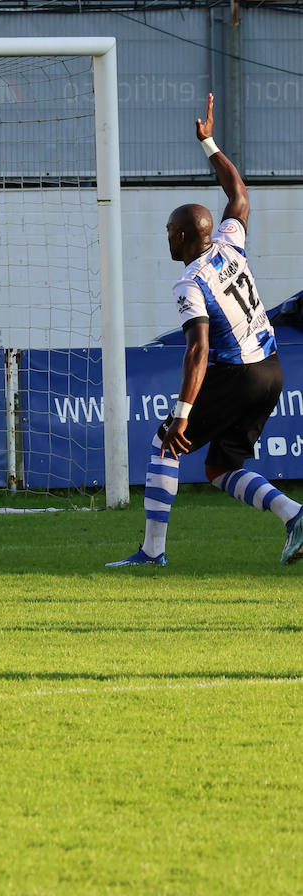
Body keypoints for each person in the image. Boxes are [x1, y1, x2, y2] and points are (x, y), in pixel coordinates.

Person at [108, 93, 303, 568]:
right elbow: (239, 193)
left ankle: (152, 552)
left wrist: (182, 412)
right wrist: (209, 143)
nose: (167, 240)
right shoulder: (230, 244)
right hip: (272, 370)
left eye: (169, 233)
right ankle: (295, 515)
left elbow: (198, 350)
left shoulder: (190, 281)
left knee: (163, 443)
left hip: (239, 374)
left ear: (182, 237)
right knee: (219, 466)